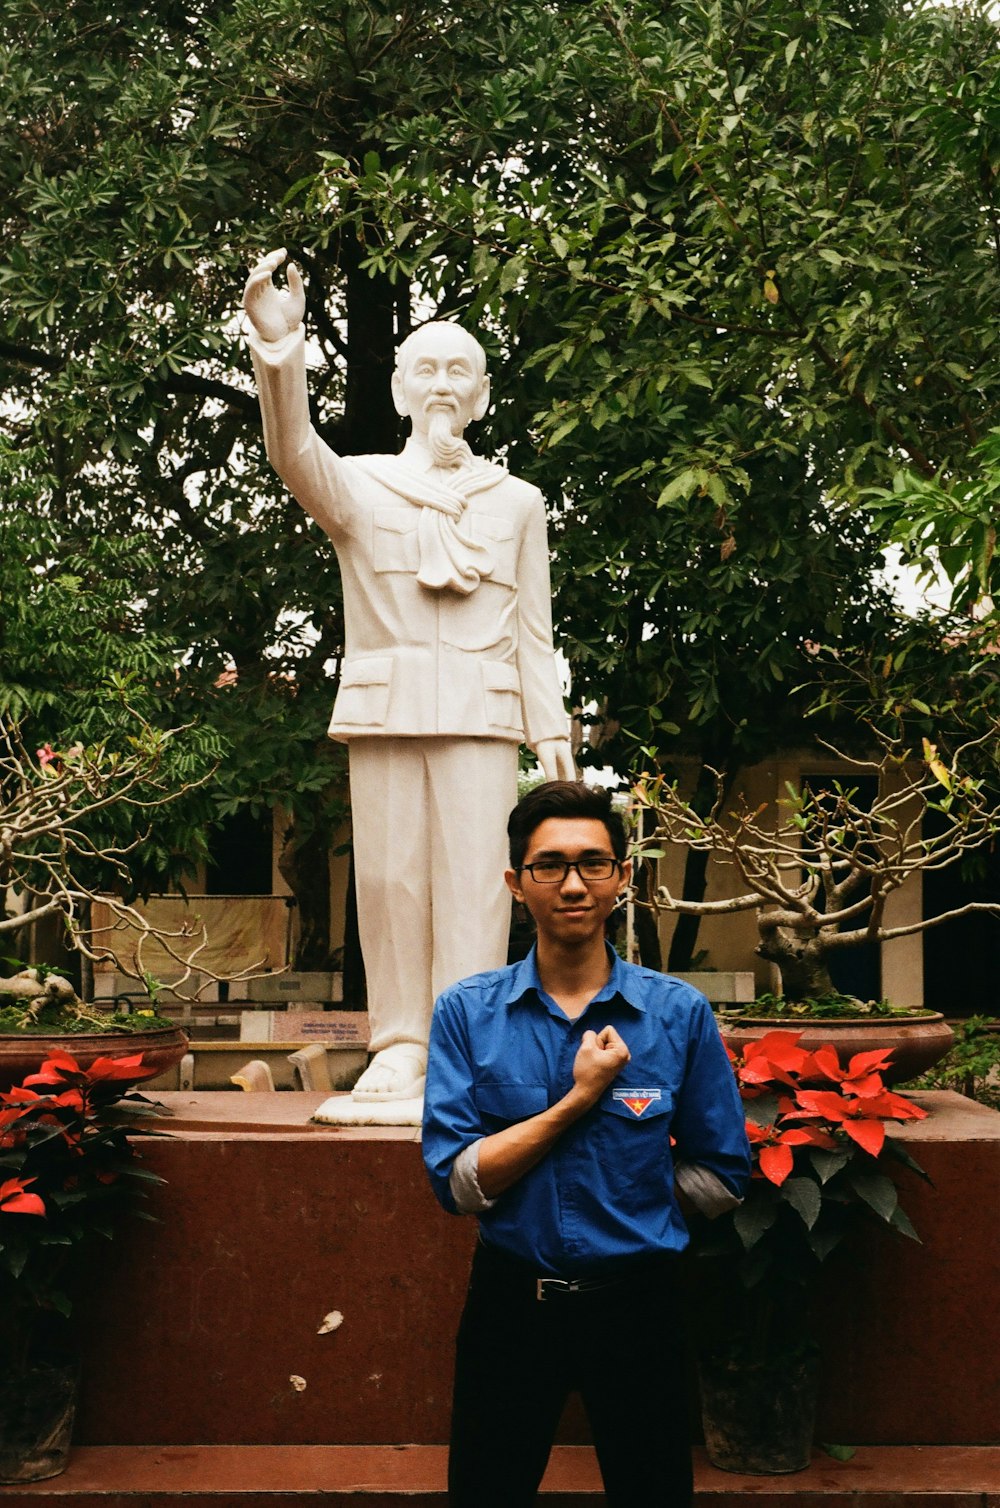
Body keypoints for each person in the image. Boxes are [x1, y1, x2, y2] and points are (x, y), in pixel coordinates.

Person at [242, 250, 574, 1112]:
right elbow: (292, 451)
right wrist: (281, 354)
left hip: (482, 715)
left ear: (483, 394)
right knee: (390, 884)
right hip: (388, 713)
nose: (441, 383)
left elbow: (534, 633)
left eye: (459, 369)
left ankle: (464, 1052)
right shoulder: (361, 486)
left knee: (474, 884)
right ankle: (398, 1046)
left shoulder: (519, 502)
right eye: (424, 367)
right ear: (397, 390)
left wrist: (557, 745)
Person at [422, 781, 751, 1506]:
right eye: (549, 865)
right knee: (486, 1491)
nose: (573, 884)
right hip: (512, 1303)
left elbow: (724, 1173)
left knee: (654, 1491)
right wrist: (578, 1101)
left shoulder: (676, 1014)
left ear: (623, 877)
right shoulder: (467, 1014)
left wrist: (637, 1211)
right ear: (517, 883)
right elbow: (457, 1183)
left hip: (639, 1306)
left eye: (593, 863)